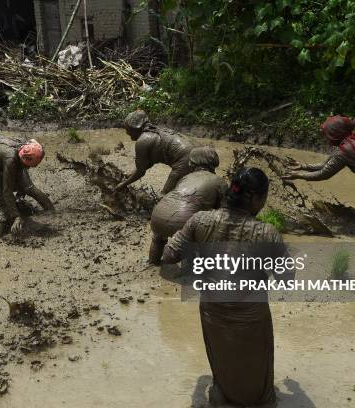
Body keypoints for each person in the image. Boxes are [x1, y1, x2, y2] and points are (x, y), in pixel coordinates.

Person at [162, 167, 287, 408]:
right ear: (256, 198)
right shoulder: (267, 233)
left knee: (223, 360)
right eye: (264, 198)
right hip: (251, 316)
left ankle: (222, 394)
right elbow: (286, 279)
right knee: (258, 379)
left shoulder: (200, 220)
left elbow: (169, 255)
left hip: (212, 310)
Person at [148, 146, 227, 264]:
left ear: (192, 164)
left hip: (157, 217)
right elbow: (225, 211)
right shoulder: (219, 181)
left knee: (158, 238)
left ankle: (153, 261)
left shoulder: (185, 177)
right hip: (182, 223)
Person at [0, 139, 45, 238]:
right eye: (28, 166)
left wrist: (20, 187)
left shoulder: (21, 148)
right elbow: (7, 192)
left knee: (22, 190)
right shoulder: (11, 159)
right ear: (25, 159)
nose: (29, 168)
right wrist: (16, 216)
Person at [113, 110, 198, 195]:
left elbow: (141, 172)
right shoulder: (157, 131)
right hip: (198, 152)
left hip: (185, 159)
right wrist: (131, 174)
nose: (130, 137)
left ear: (135, 128)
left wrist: (123, 184)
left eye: (129, 132)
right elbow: (149, 162)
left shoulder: (142, 141)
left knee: (164, 195)